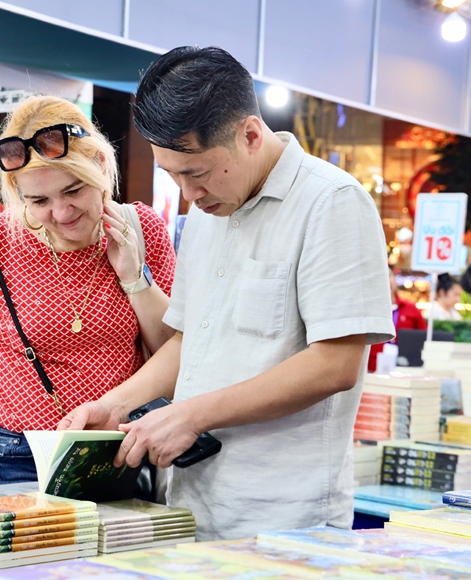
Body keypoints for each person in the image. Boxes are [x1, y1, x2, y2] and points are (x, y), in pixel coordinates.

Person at [59, 46, 394, 541]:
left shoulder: (332, 203)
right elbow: (187, 341)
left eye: (195, 173)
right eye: (172, 174)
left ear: (250, 135)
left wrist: (191, 415)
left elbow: (337, 363)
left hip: (283, 515)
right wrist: (117, 405)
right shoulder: (207, 212)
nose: (187, 193)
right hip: (188, 503)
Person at [0, 95, 177, 483]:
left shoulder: (141, 229)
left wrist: (134, 279)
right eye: (39, 200)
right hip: (17, 452)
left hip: (120, 450)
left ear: (101, 165)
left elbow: (173, 348)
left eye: (74, 190)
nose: (62, 213)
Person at [366, 265, 426, 372]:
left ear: (394, 278)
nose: (386, 280)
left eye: (389, 275)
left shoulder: (411, 309)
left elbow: (423, 338)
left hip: (404, 368)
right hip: (371, 369)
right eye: (381, 276)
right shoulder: (368, 309)